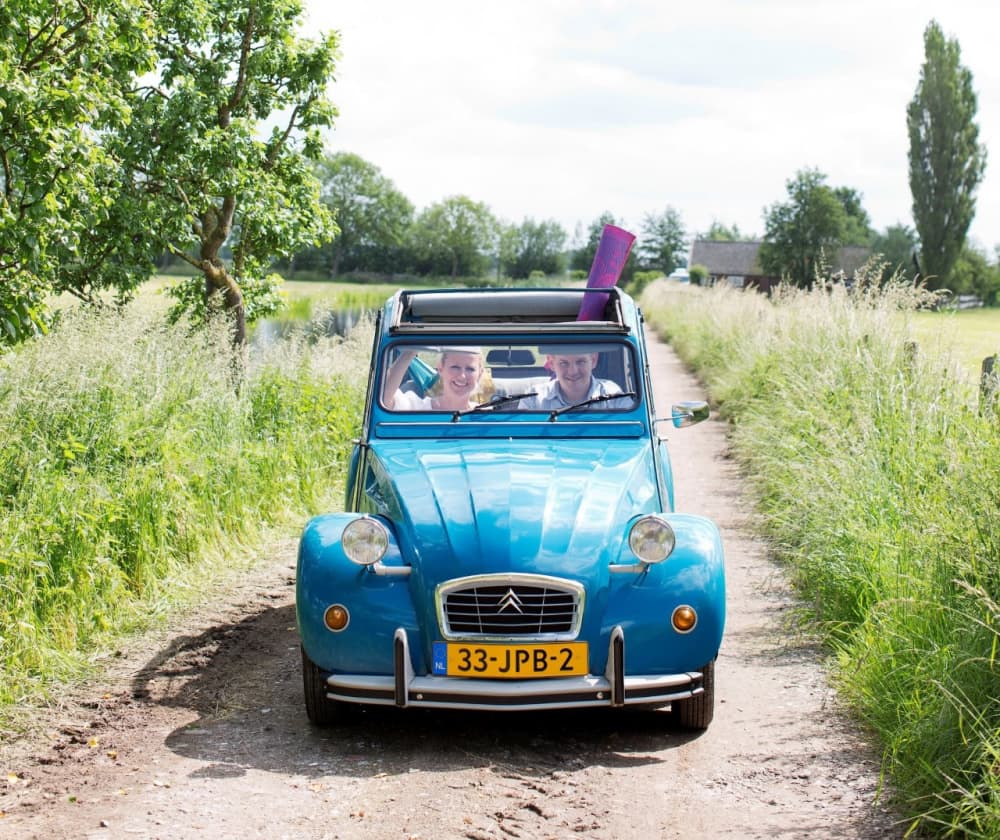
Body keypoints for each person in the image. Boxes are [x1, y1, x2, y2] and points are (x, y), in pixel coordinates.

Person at [518, 351, 633, 410]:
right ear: (551, 363)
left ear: (593, 360)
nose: (573, 371)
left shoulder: (614, 396)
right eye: (564, 363)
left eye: (580, 362)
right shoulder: (533, 399)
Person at [383, 347, 485, 411]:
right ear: (440, 368)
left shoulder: (486, 415)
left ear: (480, 374)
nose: (462, 376)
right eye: (455, 367)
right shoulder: (416, 408)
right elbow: (384, 398)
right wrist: (410, 351)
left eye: (470, 369)